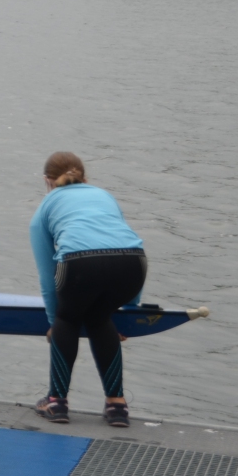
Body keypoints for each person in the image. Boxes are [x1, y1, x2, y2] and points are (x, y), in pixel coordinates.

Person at [30, 151, 146, 427]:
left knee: (68, 318)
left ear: (46, 180)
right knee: (98, 317)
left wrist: (54, 322)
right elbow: (122, 242)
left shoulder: (45, 207)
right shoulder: (105, 196)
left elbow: (47, 276)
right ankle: (117, 406)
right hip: (134, 264)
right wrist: (129, 311)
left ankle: (56, 402)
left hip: (80, 265)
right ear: (85, 177)